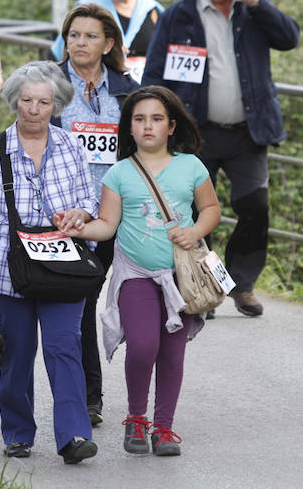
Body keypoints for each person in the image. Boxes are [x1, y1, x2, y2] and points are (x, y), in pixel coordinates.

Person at [142, 0, 300, 317]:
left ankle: (242, 285)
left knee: (255, 206)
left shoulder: (253, 10)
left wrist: (257, 2)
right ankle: (205, 284)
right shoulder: (179, 16)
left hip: (248, 132)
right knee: (196, 212)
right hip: (198, 133)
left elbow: (289, 38)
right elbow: (154, 74)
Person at [58, 86, 220, 457]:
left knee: (172, 354)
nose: (148, 126)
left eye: (157, 119)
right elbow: (108, 225)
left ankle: (164, 428)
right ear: (129, 127)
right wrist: (81, 229)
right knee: (144, 345)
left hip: (181, 278)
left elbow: (211, 209)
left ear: (171, 126)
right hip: (135, 274)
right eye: (140, 119)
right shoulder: (118, 174)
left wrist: (195, 230)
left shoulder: (191, 166)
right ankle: (136, 418)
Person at [0, 61, 98, 464]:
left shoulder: (70, 145)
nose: (34, 109)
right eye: (27, 101)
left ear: (56, 105)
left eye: (44, 102)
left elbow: (90, 199)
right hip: (7, 270)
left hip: (63, 265)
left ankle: (73, 436)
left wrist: (79, 215)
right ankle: (18, 433)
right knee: (16, 351)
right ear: (15, 101)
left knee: (64, 345)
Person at [56, 2, 138, 426]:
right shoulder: (50, 86)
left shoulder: (126, 91)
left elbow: (144, 150)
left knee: (90, 302)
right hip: (62, 218)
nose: (80, 43)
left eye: (90, 36)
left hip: (112, 217)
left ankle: (96, 398)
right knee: (78, 304)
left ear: (108, 44)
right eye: (73, 35)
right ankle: (87, 397)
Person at [51, 0, 163, 84]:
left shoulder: (152, 9)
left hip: (145, 91)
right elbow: (62, 51)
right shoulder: (88, 8)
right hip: (97, 90)